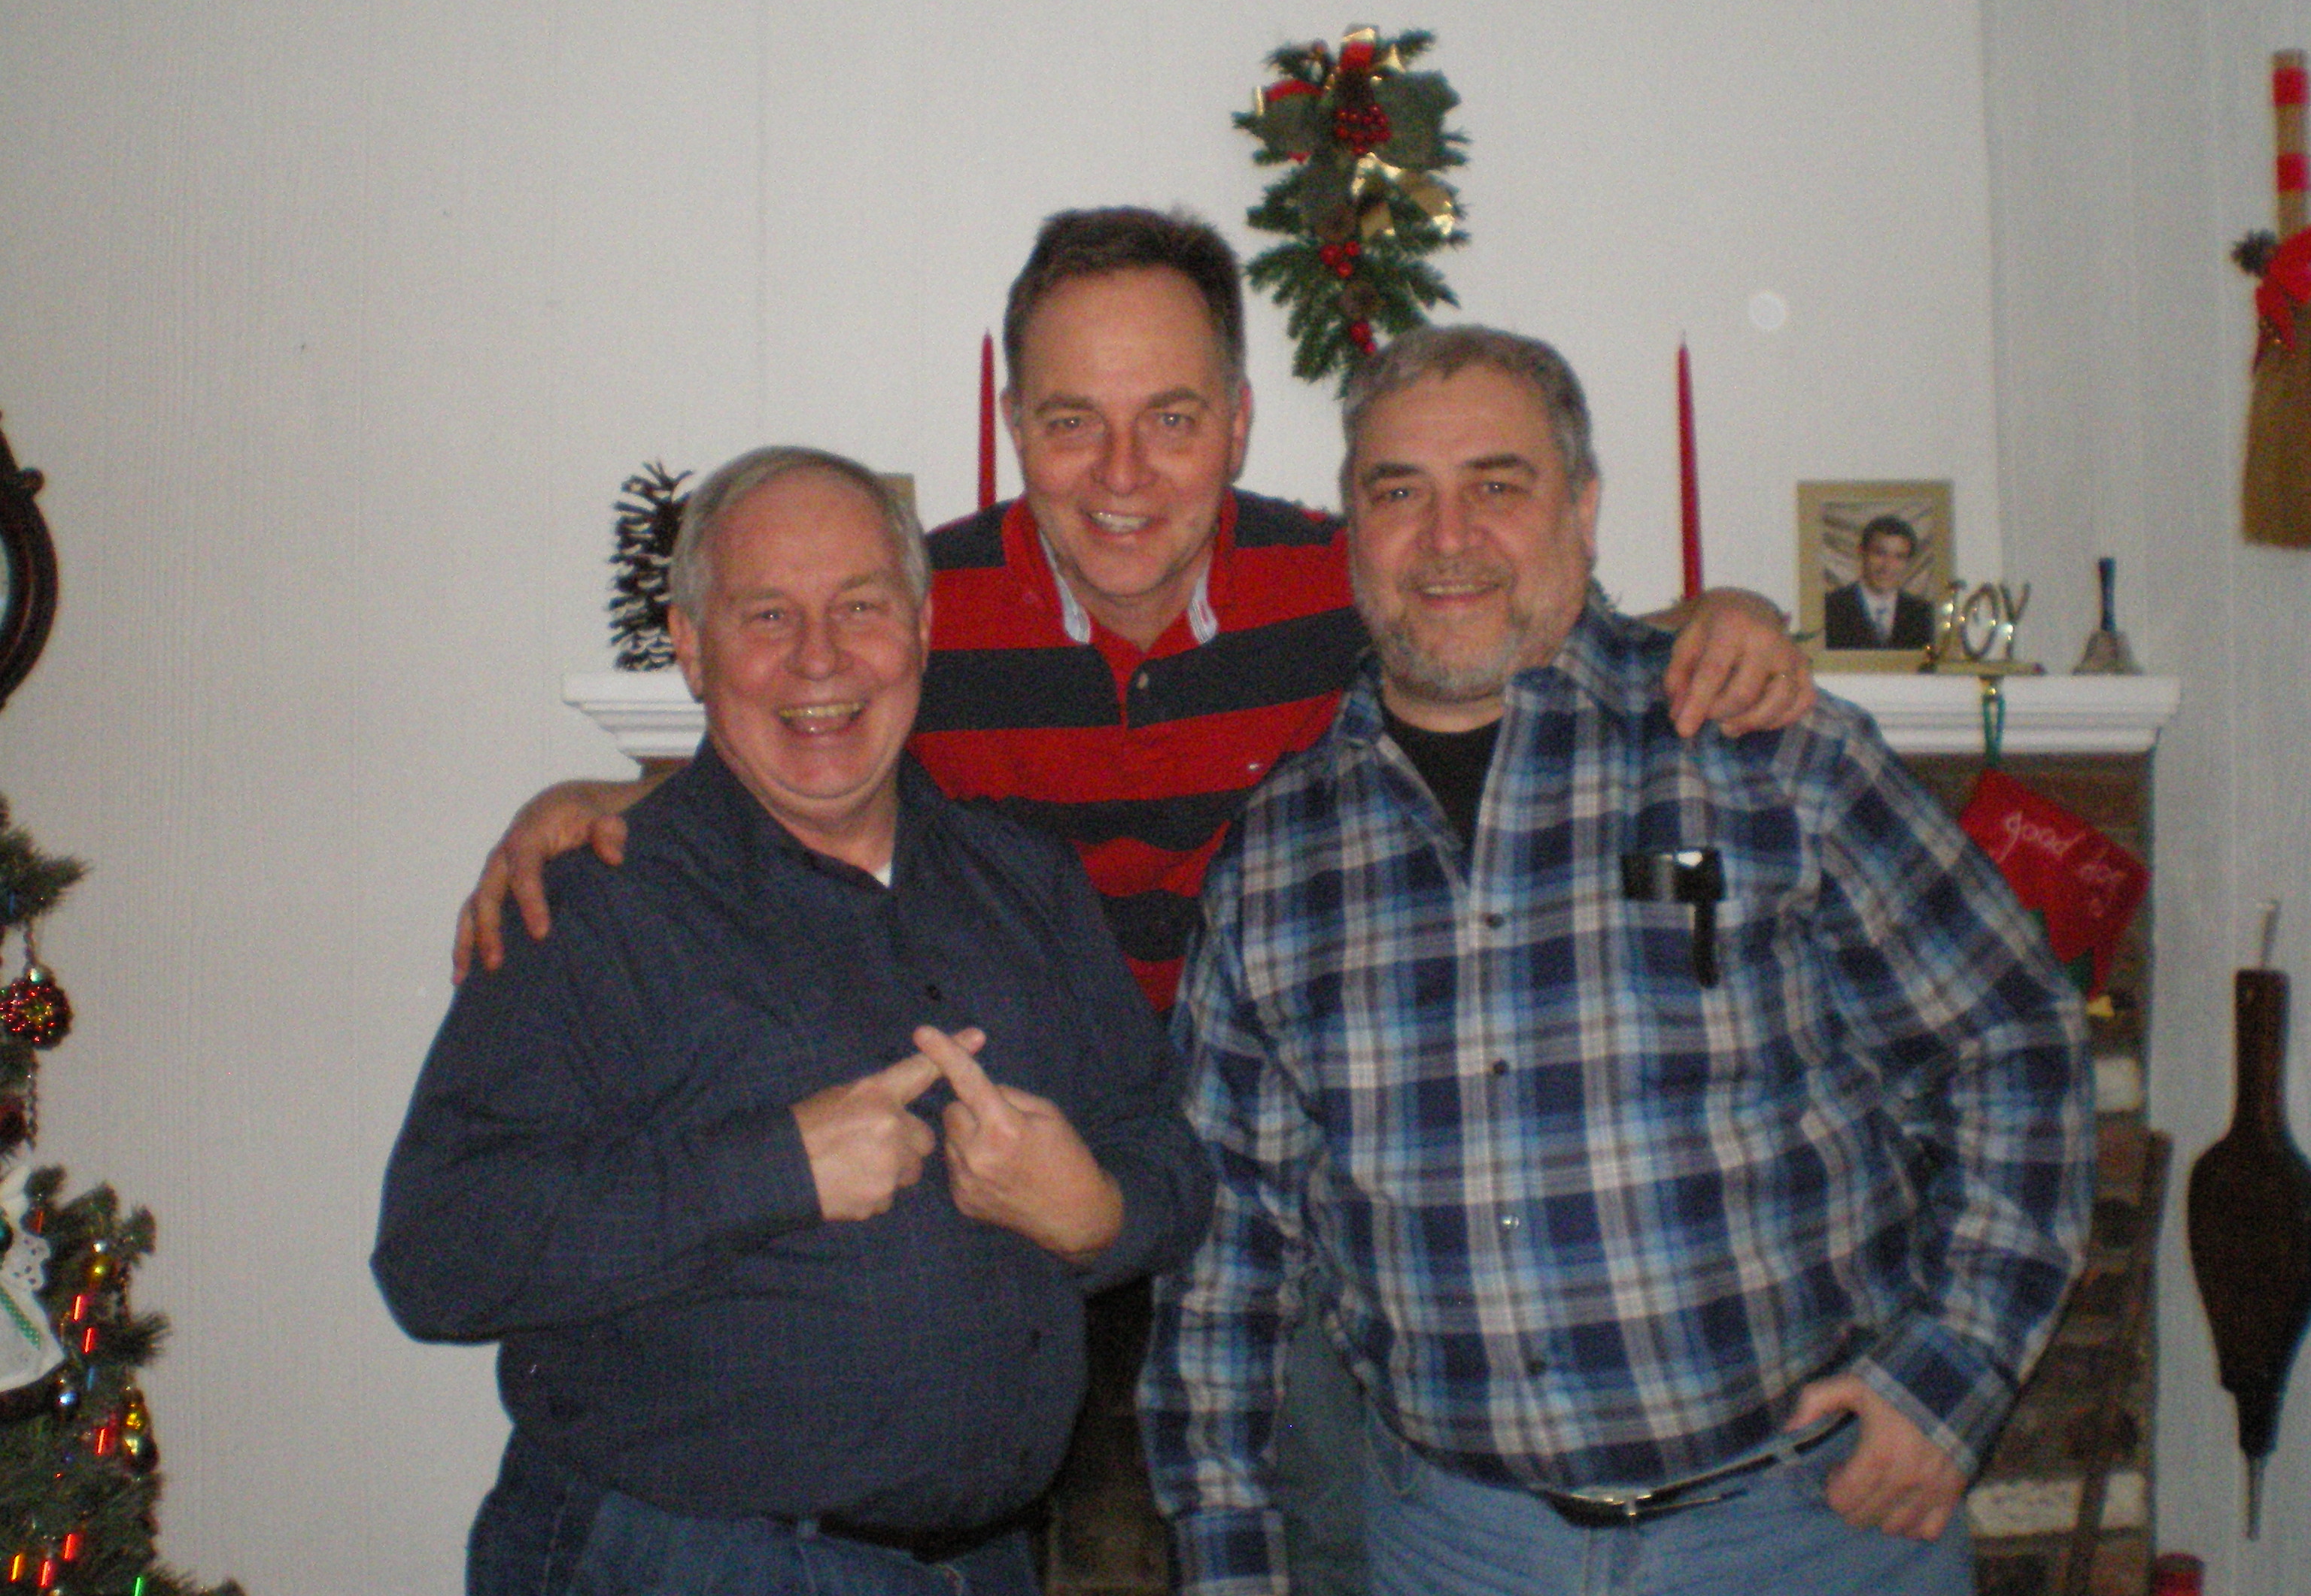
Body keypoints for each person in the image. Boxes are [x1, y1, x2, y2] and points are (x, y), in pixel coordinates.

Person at [448, 208, 1818, 1596]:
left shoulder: (1346, 584)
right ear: (1012, 425)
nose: (1120, 474)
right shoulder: (917, 609)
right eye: (1070, 423)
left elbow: (1528, 620)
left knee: (1314, 1529)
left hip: (1276, 1201)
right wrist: (607, 800)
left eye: (1169, 418)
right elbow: (792, 728)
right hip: (1011, 1197)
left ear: (1238, 423)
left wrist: (1725, 613)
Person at [1140, 325, 2094, 1596]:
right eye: (1398, 492)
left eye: (1497, 484)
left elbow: (2010, 1039)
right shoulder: (1275, 861)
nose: (1448, 536)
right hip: (1454, 1552)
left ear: (1583, 510)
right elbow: (1225, 1264)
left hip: (1813, 1531)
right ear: (1353, 534)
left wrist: (1953, 1370)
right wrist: (1225, 1562)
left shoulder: (1762, 747)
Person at [374, 448, 1213, 1596]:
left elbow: (1173, 1155)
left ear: (920, 628)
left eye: (860, 607)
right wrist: (775, 1169)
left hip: (990, 1565)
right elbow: (438, 1257)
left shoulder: (1026, 884)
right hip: (692, 1561)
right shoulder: (592, 907)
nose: (820, 658)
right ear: (690, 646)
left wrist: (1096, 1215)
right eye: (767, 614)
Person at [1823, 514, 1936, 649]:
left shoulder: (1924, 614)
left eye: (1899, 557)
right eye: (1880, 553)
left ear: (1908, 562)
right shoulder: (1829, 609)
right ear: (1861, 551)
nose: (1888, 566)